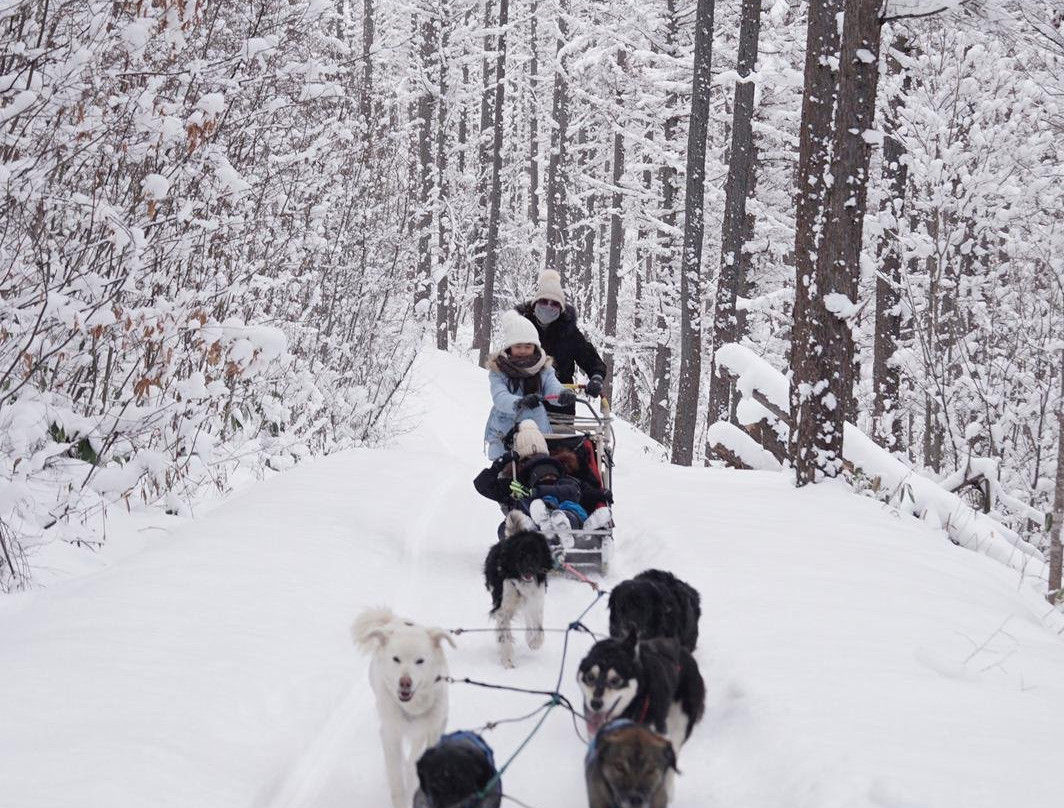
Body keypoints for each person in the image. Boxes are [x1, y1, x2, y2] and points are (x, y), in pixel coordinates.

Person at [482, 310, 576, 462]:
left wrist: (562, 395)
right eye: (518, 346)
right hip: (506, 430)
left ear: (535, 347)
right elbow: (499, 396)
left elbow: (552, 387)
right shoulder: (498, 370)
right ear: (509, 347)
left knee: (538, 467)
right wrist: (518, 402)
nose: (523, 351)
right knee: (508, 475)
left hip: (537, 428)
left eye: (528, 346)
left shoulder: (543, 368)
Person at [514, 270, 608, 413]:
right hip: (527, 404)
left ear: (561, 308)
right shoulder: (520, 329)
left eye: (554, 304)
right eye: (544, 302)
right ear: (535, 304)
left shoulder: (569, 332)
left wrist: (596, 377)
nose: (548, 307)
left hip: (562, 405)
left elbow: (589, 358)